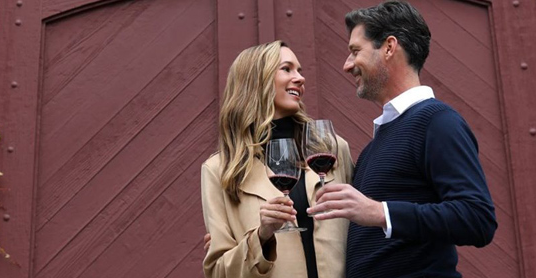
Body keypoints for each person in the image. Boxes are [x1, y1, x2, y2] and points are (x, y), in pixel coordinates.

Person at [307, 1, 497, 277]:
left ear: (389, 47)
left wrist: (380, 212)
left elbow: (478, 219)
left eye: (355, 51)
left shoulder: (437, 121)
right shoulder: (376, 145)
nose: (347, 65)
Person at [201, 40, 355, 278]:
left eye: (300, 71)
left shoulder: (332, 149)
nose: (300, 78)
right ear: (256, 80)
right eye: (287, 69)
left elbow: (362, 232)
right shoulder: (220, 169)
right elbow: (218, 272)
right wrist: (261, 235)